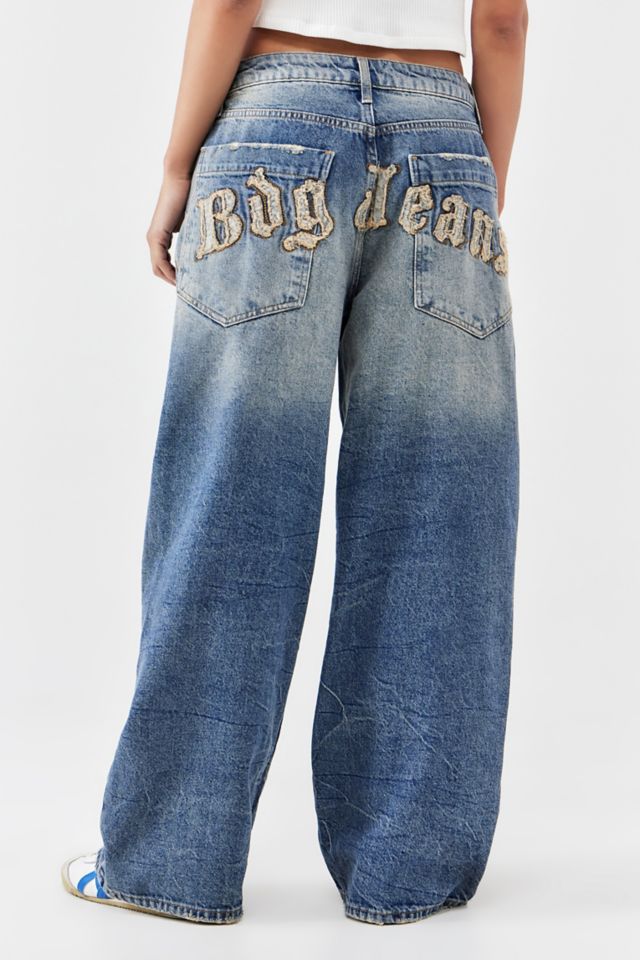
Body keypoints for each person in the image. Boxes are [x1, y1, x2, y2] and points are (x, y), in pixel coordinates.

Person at [62, 0, 528, 925]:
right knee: (441, 512)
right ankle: (408, 872)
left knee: (230, 499)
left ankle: (171, 867)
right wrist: (478, 180)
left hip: (275, 132)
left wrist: (176, 164)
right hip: (445, 138)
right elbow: (504, 22)